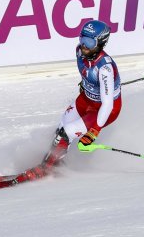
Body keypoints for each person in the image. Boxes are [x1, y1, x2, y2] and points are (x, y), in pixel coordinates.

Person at [19, 20, 123, 181]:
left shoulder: (104, 69)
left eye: (89, 42)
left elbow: (108, 104)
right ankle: (56, 164)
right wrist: (85, 84)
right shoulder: (79, 52)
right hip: (86, 99)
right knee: (60, 129)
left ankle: (46, 169)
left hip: (104, 109)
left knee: (67, 132)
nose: (84, 46)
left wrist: (94, 132)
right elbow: (86, 71)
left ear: (101, 43)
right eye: (82, 39)